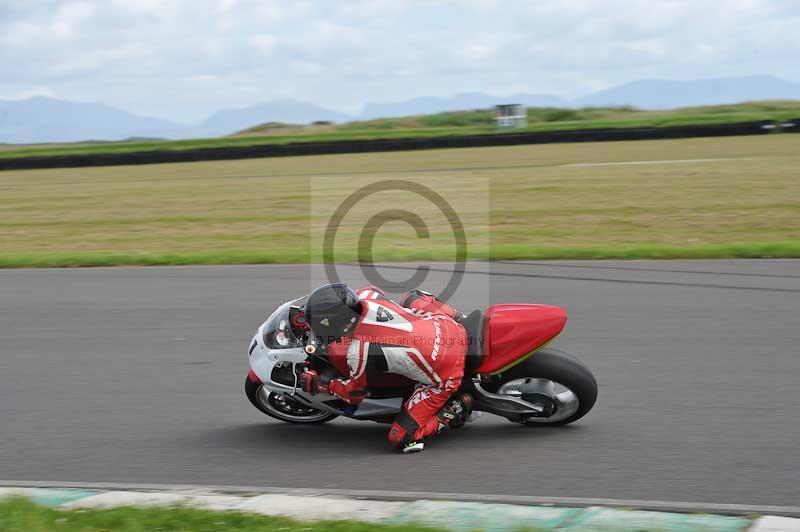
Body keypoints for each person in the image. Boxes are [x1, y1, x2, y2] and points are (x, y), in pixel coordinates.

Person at [300, 283, 473, 453]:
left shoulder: (358, 351)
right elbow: (374, 289)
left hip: (447, 372)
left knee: (401, 437)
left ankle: (454, 409)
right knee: (411, 297)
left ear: (336, 324)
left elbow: (353, 395)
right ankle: (460, 317)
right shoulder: (366, 296)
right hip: (446, 324)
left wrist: (323, 385)